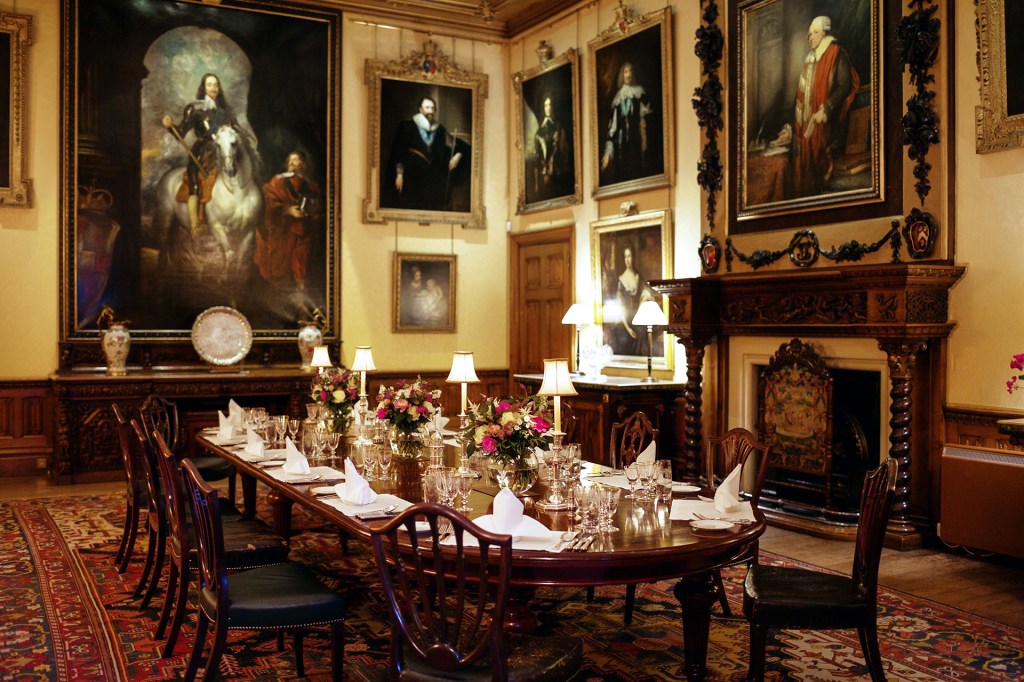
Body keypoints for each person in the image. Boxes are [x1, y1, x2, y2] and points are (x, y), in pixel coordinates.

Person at [791, 15, 860, 198]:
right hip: (809, 124)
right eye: (809, 34)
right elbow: (800, 96)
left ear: (824, 33)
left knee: (821, 162)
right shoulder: (809, 61)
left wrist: (826, 108)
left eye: (814, 32)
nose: (810, 37)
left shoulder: (837, 54)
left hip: (830, 121)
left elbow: (845, 86)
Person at [162, 73, 240, 234]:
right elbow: (181, 132)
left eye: (216, 85)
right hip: (203, 150)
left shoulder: (226, 111)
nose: (213, 88)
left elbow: (237, 129)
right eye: (209, 85)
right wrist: (170, 126)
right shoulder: (195, 109)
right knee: (195, 182)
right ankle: (195, 225)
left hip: (224, 150)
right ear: (203, 87)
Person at [384, 97, 470, 211]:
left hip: (430, 179)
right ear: (420, 109)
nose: (431, 111)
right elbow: (398, 152)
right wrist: (399, 175)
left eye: (433, 108)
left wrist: (458, 155)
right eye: (427, 107)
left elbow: (455, 145)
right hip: (411, 176)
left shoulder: (439, 129)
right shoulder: (407, 126)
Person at [254, 151, 320, 293]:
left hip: (304, 229)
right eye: (291, 160)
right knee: (278, 262)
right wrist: (287, 210)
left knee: (302, 257)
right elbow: (268, 203)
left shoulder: (310, 185)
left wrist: (312, 211)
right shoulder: (277, 182)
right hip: (282, 228)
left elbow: (318, 206)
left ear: (304, 164)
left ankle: (301, 291)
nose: (293, 163)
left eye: (297, 160)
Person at [600, 62, 653, 184]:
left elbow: (645, 119)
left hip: (635, 142)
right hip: (621, 146)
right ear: (622, 75)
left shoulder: (639, 93)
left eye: (630, 71)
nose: (628, 75)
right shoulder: (618, 99)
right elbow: (612, 129)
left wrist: (644, 139)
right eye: (625, 72)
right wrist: (607, 154)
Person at [532, 94, 569, 200]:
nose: (548, 108)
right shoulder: (539, 133)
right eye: (546, 105)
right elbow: (537, 158)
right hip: (544, 176)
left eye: (550, 105)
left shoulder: (559, 129)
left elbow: (564, 153)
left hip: (558, 175)